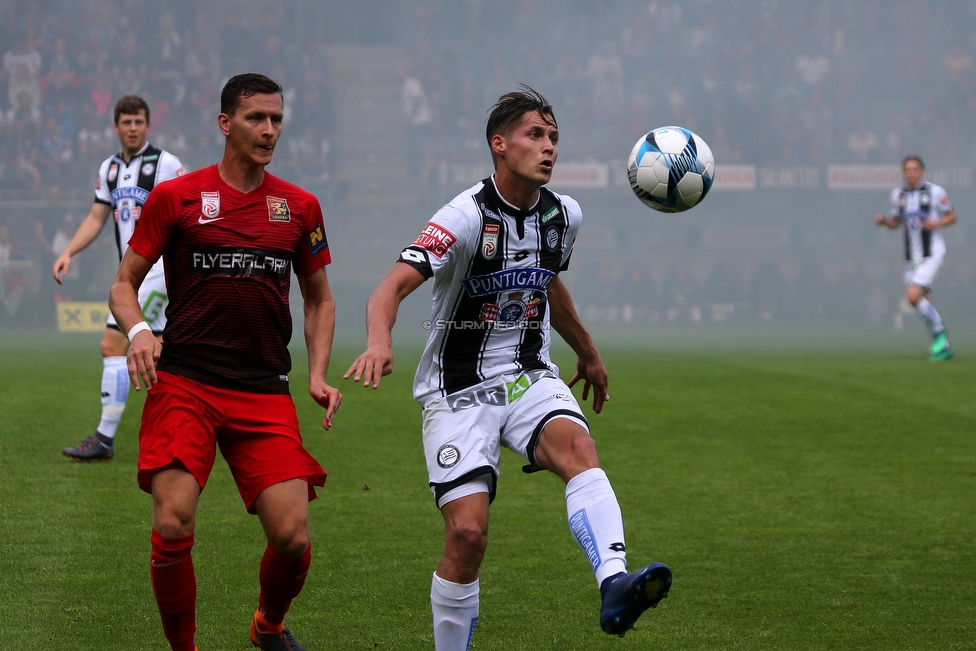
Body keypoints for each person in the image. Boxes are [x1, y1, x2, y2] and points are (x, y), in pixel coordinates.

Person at [345, 86, 671, 650]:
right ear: (500, 145)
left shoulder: (563, 215)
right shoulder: (464, 217)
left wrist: (587, 351)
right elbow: (389, 287)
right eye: (535, 135)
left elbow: (548, 281)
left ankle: (615, 583)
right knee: (467, 535)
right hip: (458, 389)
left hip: (527, 375)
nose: (549, 148)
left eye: (554, 138)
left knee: (578, 449)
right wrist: (379, 342)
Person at [108, 73, 340, 651]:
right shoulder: (177, 197)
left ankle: (268, 625)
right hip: (185, 381)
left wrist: (315, 374)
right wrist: (138, 330)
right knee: (172, 520)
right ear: (225, 123)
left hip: (263, 389)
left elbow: (320, 299)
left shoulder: (299, 206)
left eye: (276, 119)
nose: (269, 130)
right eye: (256, 118)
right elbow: (123, 284)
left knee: (291, 536)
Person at [56, 96, 185, 461]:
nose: (132, 127)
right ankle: (180, 430)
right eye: (126, 122)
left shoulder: (165, 163)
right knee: (160, 353)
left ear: (148, 125)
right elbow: (97, 217)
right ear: (115, 126)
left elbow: (188, 208)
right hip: (131, 275)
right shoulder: (109, 169)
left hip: (157, 273)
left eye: (138, 121)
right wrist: (69, 251)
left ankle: (105, 439)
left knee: (115, 345)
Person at [874, 155, 957, 361]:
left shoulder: (935, 192)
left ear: (922, 171)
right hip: (913, 258)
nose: (911, 173)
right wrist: (884, 221)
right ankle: (944, 348)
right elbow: (896, 222)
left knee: (912, 296)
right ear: (903, 172)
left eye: (914, 169)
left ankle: (940, 332)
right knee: (923, 301)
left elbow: (952, 215)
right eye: (907, 170)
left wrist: (936, 224)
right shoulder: (898, 195)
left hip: (933, 254)